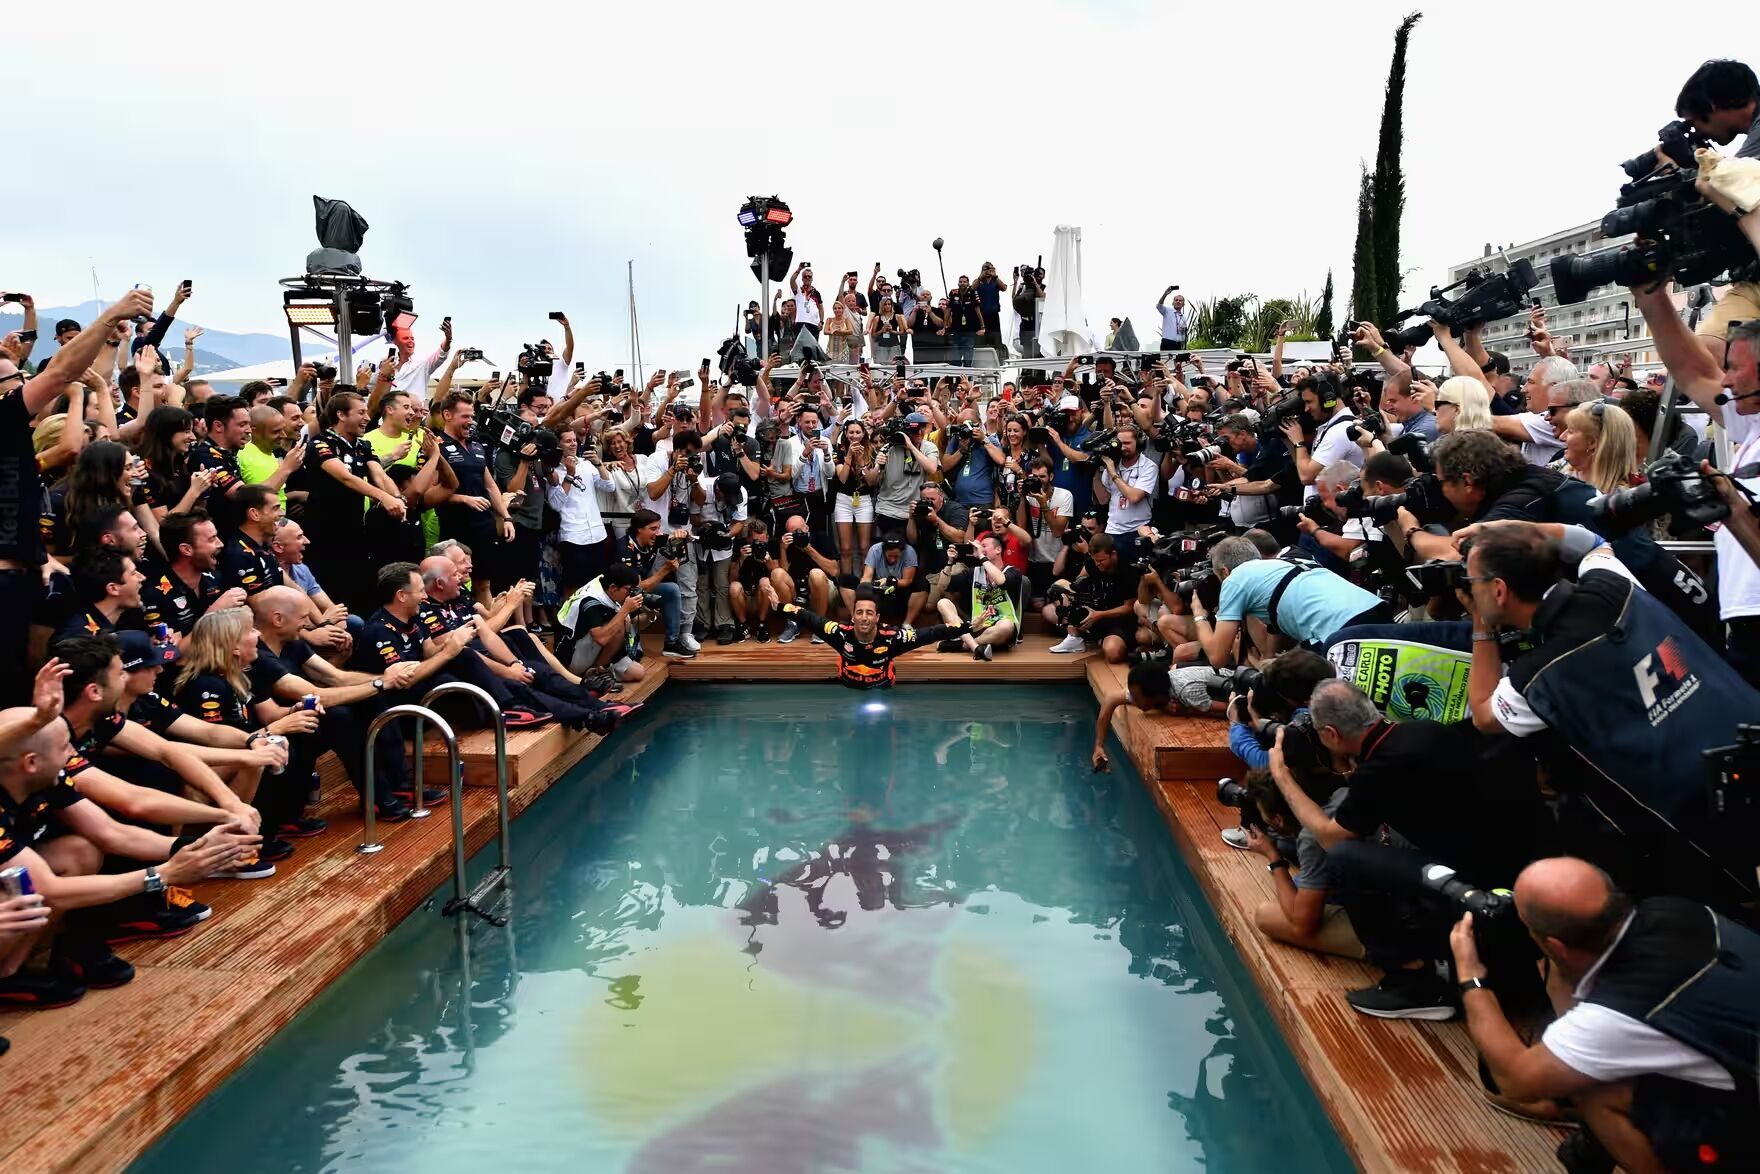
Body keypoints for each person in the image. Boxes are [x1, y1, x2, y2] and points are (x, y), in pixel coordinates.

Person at [1460, 520, 1760, 902]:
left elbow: (1484, 714)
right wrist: (1518, 530)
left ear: (1499, 590)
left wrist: (1480, 624)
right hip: (1746, 734)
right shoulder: (1613, 585)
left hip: (1709, 817)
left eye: (1473, 582)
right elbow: (1593, 542)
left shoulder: (1538, 676)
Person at [1450, 856, 1759, 1174]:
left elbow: (1515, 1080)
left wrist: (1471, 976)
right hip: (1740, 1062)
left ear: (1555, 944)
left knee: (1596, 1089)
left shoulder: (1618, 1014)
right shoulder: (1673, 911)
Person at [1268, 679, 1553, 1019]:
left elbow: (1331, 838)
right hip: (1522, 863)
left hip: (1473, 883)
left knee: (1346, 858)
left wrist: (1282, 777)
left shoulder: (1381, 768)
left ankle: (1415, 977)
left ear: (1330, 733)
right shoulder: (1424, 732)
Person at [1, 290, 151, 704]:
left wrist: (37, 556)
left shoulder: (16, 446)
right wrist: (110, 318)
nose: (22, 387)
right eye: (14, 381)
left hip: (22, 577)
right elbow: (62, 373)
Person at [1631, 292, 1760, 685]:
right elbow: (1691, 370)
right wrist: (1649, 295)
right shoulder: (1753, 426)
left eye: (1735, 368)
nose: (1725, 379)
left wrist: (1735, 513)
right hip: (1744, 623)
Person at [1188, 536, 1390, 664]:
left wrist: (1199, 614)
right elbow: (1277, 631)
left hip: (1339, 632)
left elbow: (1217, 657)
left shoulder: (1235, 578)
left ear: (1224, 571)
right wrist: (1269, 660)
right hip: (1376, 609)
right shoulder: (1293, 561)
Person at [303, 391, 405, 613]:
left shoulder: (363, 445)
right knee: (332, 589)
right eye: (360, 412)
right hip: (323, 534)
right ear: (341, 414)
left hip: (355, 531)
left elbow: (379, 475)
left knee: (358, 590)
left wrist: (397, 499)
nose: (367, 417)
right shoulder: (321, 443)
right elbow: (345, 477)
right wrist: (383, 497)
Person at [779, 591, 968, 690]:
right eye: (859, 612)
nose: (864, 617)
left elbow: (932, 633)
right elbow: (806, 617)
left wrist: (968, 626)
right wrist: (778, 606)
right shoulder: (839, 633)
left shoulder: (893, 638)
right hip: (847, 687)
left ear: (877, 617)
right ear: (852, 616)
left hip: (885, 689)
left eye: (869, 613)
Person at [1046, 534, 1146, 662]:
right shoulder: (1092, 563)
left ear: (1113, 554)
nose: (1097, 564)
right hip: (1094, 610)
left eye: (1101, 560)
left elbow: (1129, 607)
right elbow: (1077, 584)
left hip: (1117, 618)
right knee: (1060, 585)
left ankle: (1110, 641)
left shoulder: (1127, 569)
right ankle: (1074, 637)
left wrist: (1099, 615)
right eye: (1094, 560)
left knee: (1113, 653)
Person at [619, 508, 694, 659]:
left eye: (659, 528)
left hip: (640, 591)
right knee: (635, 656)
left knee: (671, 589)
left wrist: (683, 534)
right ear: (638, 529)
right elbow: (635, 587)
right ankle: (629, 641)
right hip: (622, 597)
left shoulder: (654, 539)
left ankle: (671, 643)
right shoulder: (625, 550)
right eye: (653, 529)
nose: (658, 533)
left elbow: (686, 537)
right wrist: (665, 570)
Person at [935, 533, 1021, 661]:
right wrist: (950, 562)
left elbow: (1000, 580)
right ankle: (976, 647)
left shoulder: (1013, 572)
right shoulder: (973, 572)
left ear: (998, 550)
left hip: (999, 628)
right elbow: (941, 587)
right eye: (979, 546)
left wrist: (981, 555)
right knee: (943, 603)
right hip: (976, 625)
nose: (980, 548)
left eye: (984, 546)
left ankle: (963, 645)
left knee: (1006, 626)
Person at [1094, 427, 1158, 560]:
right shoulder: (1112, 465)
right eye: (1120, 443)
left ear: (1139, 443)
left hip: (1138, 530)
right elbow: (1103, 499)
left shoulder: (1149, 466)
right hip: (1113, 529)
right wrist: (1094, 473)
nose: (1122, 447)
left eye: (1127, 443)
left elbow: (1134, 497)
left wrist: (1113, 474)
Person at [1156, 287, 1192, 351]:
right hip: (1167, 343)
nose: (1178, 301)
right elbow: (1159, 306)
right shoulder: (1167, 311)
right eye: (1176, 300)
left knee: (1178, 361)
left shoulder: (1183, 317)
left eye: (1180, 300)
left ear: (1183, 304)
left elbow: (1183, 333)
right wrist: (1165, 294)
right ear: (1173, 303)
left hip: (1179, 344)